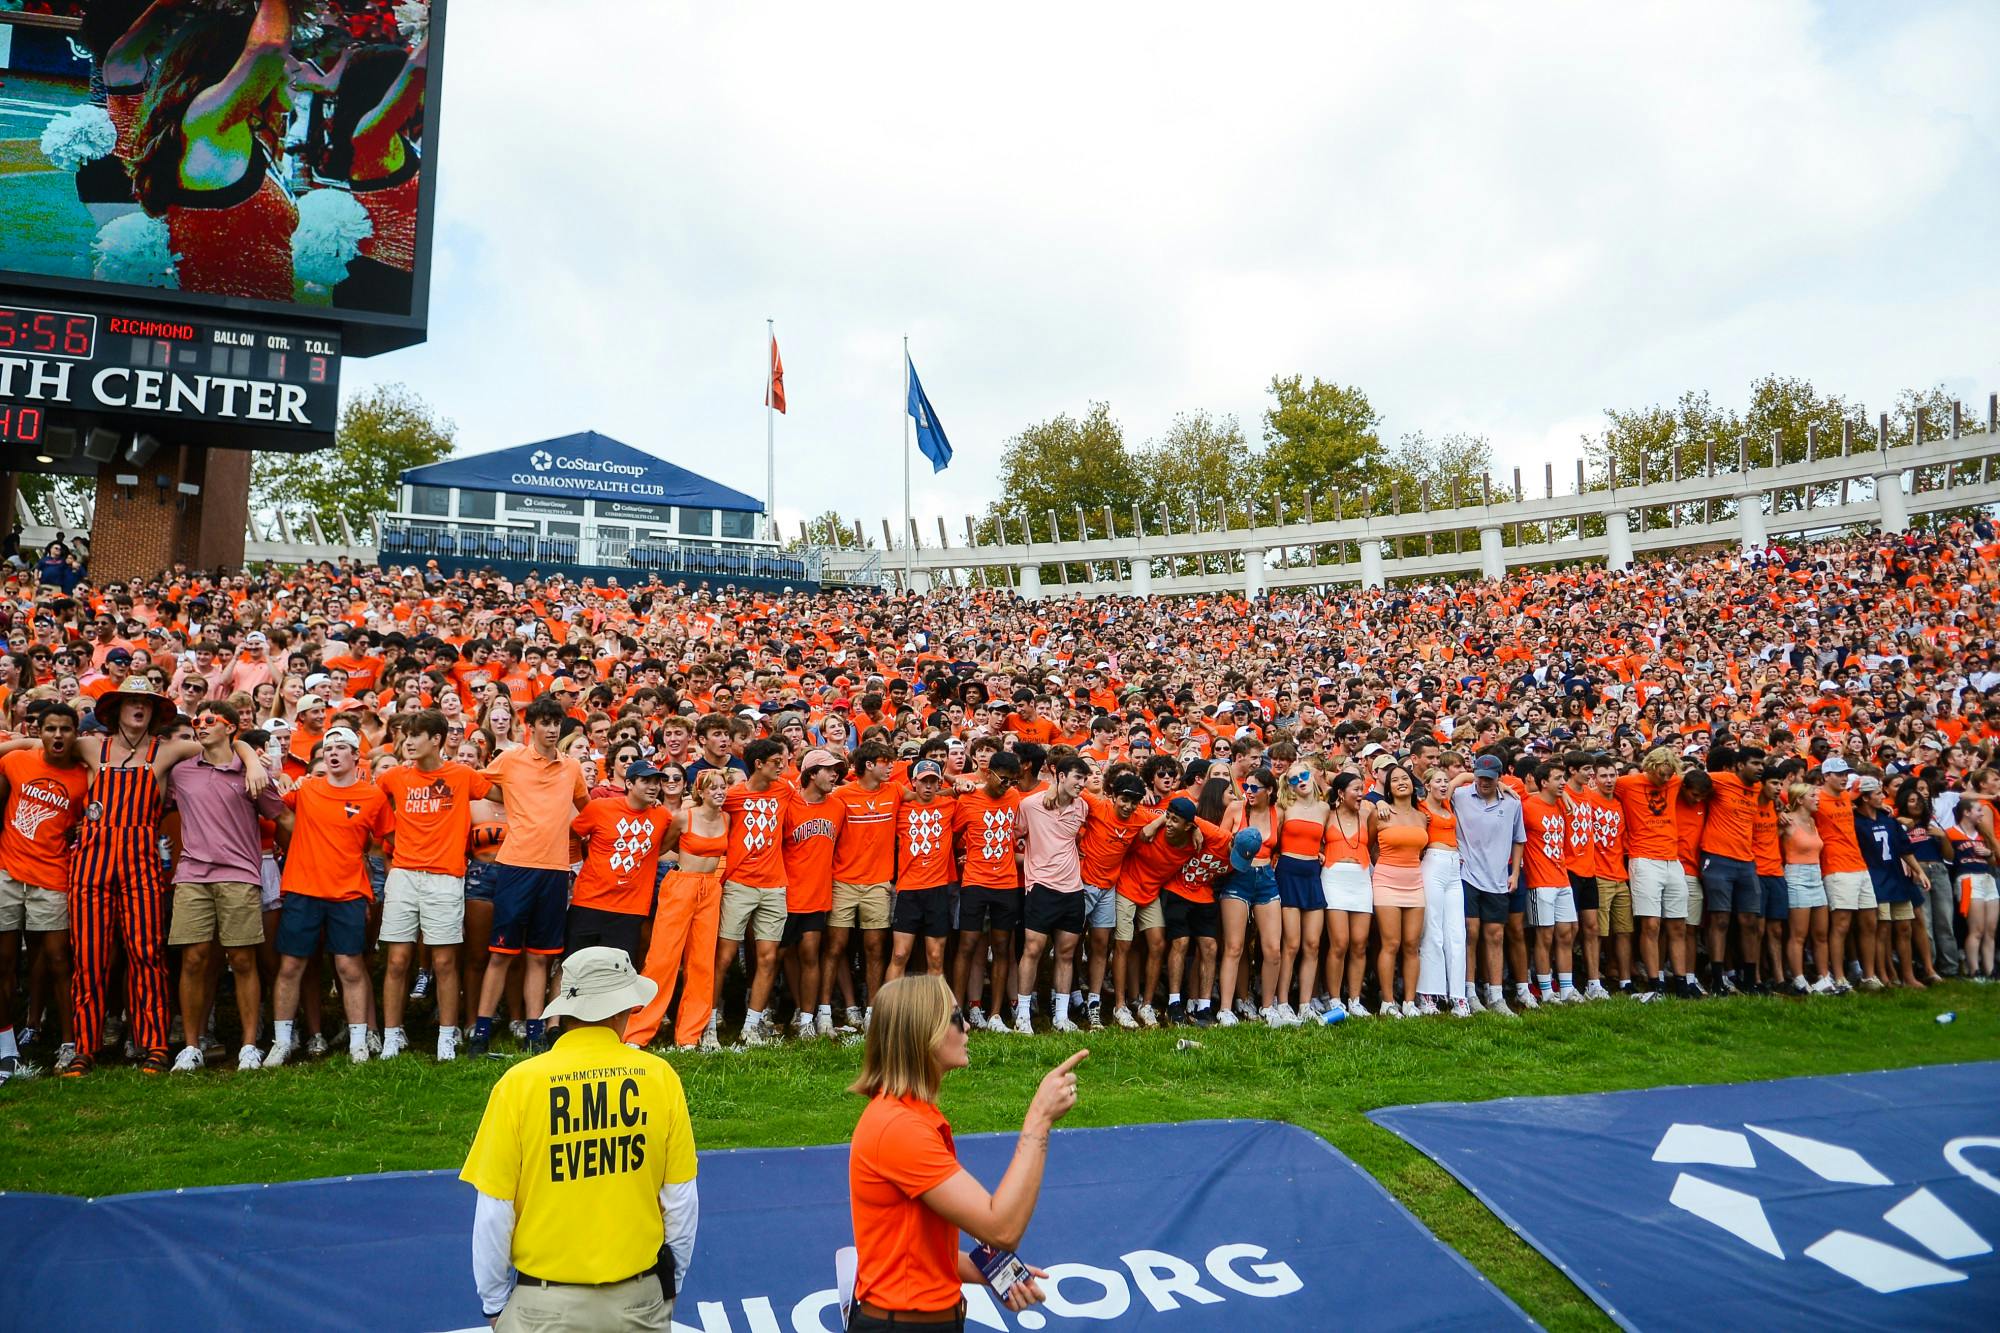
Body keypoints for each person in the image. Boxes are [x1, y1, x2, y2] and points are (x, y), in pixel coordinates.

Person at [461, 947, 698, 1332]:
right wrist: (669, 1285)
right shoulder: (660, 1078)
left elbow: (494, 1212)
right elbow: (681, 1201)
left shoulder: (519, 1085)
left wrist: (493, 1302)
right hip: (638, 1300)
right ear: (622, 1010)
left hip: (543, 1306)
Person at [847, 974, 1084, 1331]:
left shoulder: (907, 1116)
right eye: (956, 1018)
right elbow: (1001, 1229)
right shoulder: (899, 1128)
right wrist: (1039, 1120)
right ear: (924, 1034)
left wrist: (994, 1272)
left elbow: (914, 1248)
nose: (967, 1026)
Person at [165, 699, 287, 1073]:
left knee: (242, 959)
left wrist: (256, 763)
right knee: (194, 959)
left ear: (230, 727)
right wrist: (248, 753)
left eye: (209, 720)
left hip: (239, 875)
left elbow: (280, 816)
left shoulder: (251, 774)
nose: (200, 725)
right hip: (192, 876)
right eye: (197, 721)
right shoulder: (181, 772)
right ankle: (190, 1046)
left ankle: (249, 1045)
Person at [472, 694, 589, 1058]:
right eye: (545, 723)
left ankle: (536, 1033)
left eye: (557, 723)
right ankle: (481, 1032)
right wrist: (511, 799)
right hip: (516, 866)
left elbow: (587, 812)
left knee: (541, 956)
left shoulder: (572, 768)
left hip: (555, 870)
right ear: (531, 726)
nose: (552, 729)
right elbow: (479, 786)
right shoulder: (511, 759)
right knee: (501, 953)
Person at [268, 727, 392, 1066]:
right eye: (328, 749)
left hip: (348, 892)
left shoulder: (373, 796)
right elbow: (273, 807)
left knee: (349, 966)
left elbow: (385, 841)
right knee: (291, 965)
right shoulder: (306, 789)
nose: (333, 753)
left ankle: (358, 1042)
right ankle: (281, 1042)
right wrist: (271, 771)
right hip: (302, 889)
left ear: (356, 756)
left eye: (341, 747)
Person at [376, 708, 494, 1061]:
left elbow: (505, 795)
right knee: (397, 960)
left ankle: (446, 1035)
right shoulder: (394, 777)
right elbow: (367, 804)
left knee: (444, 962)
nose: (407, 742)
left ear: (437, 740)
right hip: (404, 875)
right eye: (405, 735)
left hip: (446, 877)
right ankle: (392, 1036)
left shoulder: (462, 775)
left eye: (416, 735)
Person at [0, 703, 91, 1081]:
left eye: (65, 729)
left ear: (75, 734)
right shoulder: (17, 760)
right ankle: (7, 1050)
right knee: (3, 962)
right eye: (50, 728)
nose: (58, 735)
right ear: (39, 731)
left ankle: (69, 1043)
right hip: (7, 873)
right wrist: (20, 739)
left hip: (53, 875)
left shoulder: (84, 778)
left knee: (58, 961)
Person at [627, 770, 729, 1052]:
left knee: (701, 962)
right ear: (701, 792)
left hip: (710, 890)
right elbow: (661, 848)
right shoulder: (685, 817)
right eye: (713, 788)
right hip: (681, 886)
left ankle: (689, 1036)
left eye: (723, 787)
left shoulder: (726, 818)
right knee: (662, 959)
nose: (720, 792)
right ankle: (639, 1032)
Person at [568, 760, 674, 964]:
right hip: (590, 902)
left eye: (656, 782)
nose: (653, 787)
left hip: (630, 909)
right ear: (629, 784)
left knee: (617, 975)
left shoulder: (662, 816)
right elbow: (572, 835)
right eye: (646, 781)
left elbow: (674, 843)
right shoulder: (599, 808)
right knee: (572, 968)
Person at [1013, 756, 1090, 1034]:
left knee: (1067, 953)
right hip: (1041, 887)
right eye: (1076, 778)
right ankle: (1022, 1015)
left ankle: (1061, 1016)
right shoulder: (1030, 805)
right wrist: (1029, 860)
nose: (1081, 784)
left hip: (1073, 889)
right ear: (1059, 776)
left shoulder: (1083, 806)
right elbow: (1016, 836)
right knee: (1032, 949)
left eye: (1084, 779)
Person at [1453, 755, 1525, 1017]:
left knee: (1495, 934)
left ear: (1499, 778)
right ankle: (1469, 993)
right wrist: (1463, 777)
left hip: (1497, 876)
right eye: (1480, 777)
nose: (1483, 782)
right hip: (1467, 874)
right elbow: (1435, 793)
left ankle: (1495, 995)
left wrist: (1514, 872)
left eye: (1489, 778)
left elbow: (1519, 840)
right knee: (1470, 932)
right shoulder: (1460, 796)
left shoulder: (1513, 802)